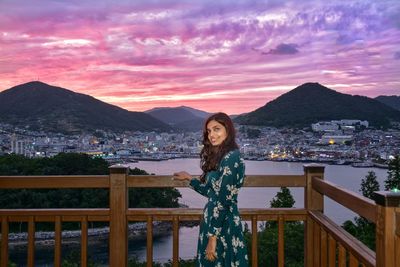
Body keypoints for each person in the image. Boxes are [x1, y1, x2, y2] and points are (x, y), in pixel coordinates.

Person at [173, 112, 249, 267]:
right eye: (209, 131)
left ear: (228, 130)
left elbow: (223, 200)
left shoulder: (231, 158)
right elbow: (212, 193)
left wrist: (212, 238)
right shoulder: (222, 156)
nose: (212, 135)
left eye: (217, 129)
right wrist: (190, 179)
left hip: (222, 223)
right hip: (214, 220)